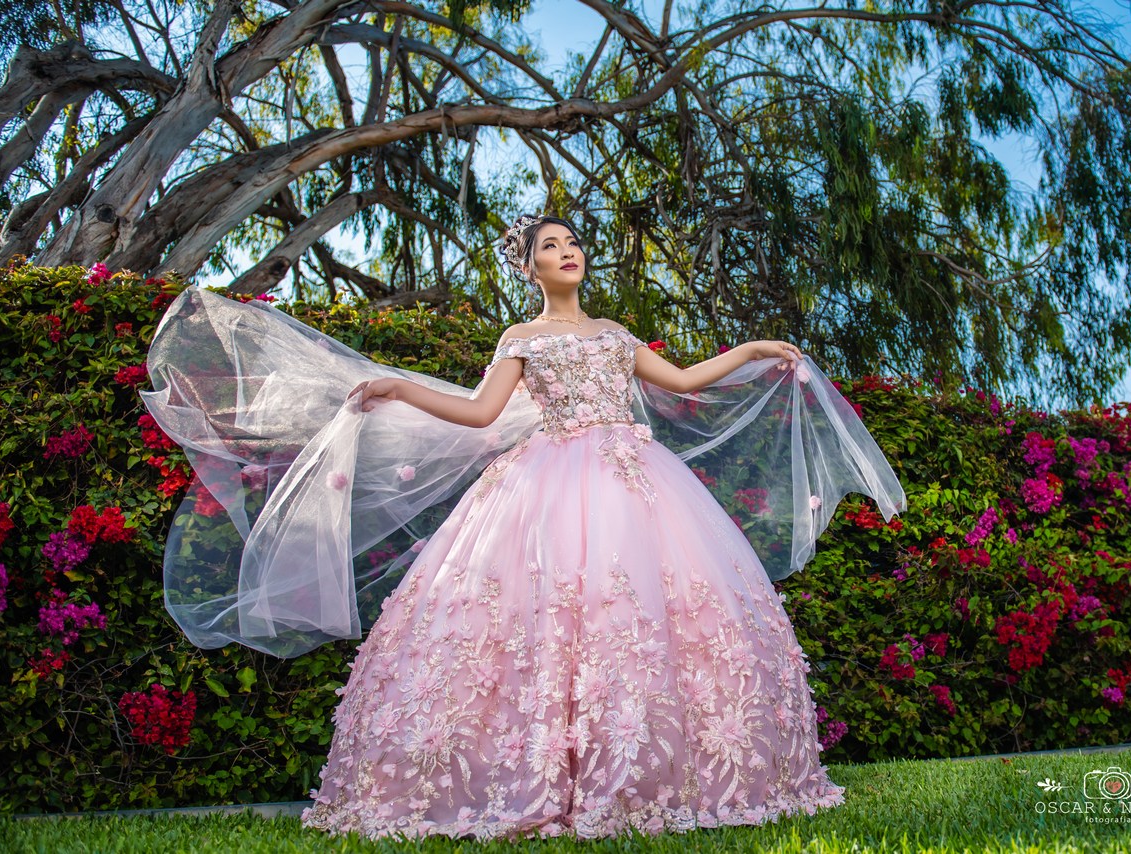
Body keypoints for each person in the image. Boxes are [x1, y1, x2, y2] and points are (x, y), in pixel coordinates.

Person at [141, 213, 904, 841]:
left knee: (639, 607)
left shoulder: (614, 331)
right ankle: (528, 773)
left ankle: (657, 772)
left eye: (572, 244)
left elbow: (682, 380)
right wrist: (399, 387)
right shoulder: (520, 339)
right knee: (533, 614)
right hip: (545, 480)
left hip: (632, 483)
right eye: (551, 247)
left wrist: (756, 349)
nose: (567, 253)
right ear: (530, 268)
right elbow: (478, 414)